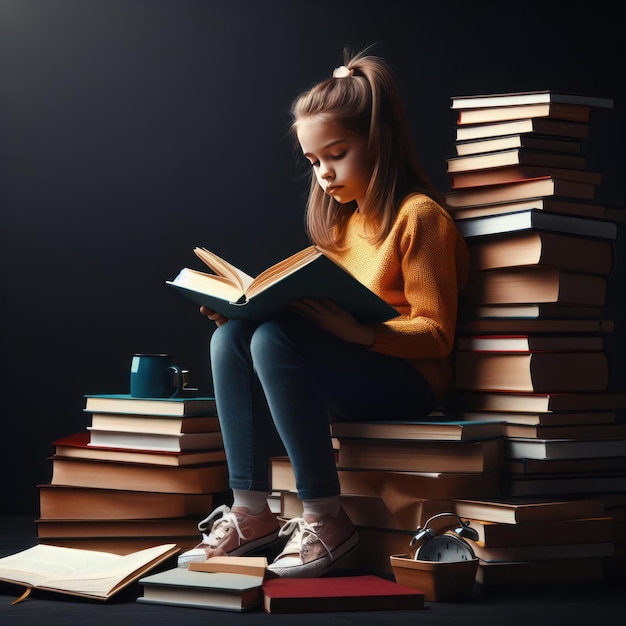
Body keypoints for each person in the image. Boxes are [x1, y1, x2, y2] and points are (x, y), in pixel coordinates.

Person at [177, 48, 470, 578]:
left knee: (274, 340)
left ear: (377, 144)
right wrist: (240, 315)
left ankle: (325, 517)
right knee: (234, 339)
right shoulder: (342, 227)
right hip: (349, 368)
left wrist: (359, 333)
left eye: (335, 154)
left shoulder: (419, 216)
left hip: (410, 380)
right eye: (313, 163)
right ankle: (251, 512)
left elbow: (437, 334)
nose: (324, 175)